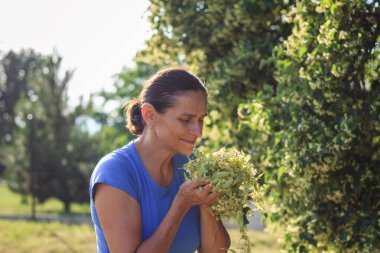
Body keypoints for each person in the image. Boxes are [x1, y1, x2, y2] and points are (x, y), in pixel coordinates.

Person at [90, 66, 231, 253]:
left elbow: (216, 251)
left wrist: (206, 202)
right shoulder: (115, 173)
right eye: (186, 119)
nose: (198, 132)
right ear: (149, 114)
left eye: (201, 119)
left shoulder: (193, 164)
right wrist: (181, 204)